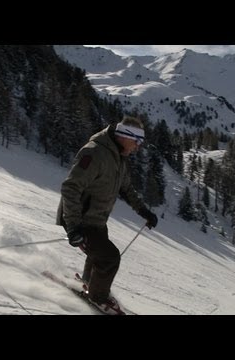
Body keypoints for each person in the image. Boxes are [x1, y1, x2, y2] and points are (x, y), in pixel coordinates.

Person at [56, 116, 158, 314]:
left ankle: (89, 283)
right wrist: (74, 226)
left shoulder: (118, 157)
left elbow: (126, 189)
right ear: (124, 136)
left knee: (99, 255)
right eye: (137, 141)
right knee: (110, 258)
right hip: (81, 219)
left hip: (96, 220)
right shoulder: (95, 153)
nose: (138, 147)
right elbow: (70, 188)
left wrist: (144, 211)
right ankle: (97, 297)